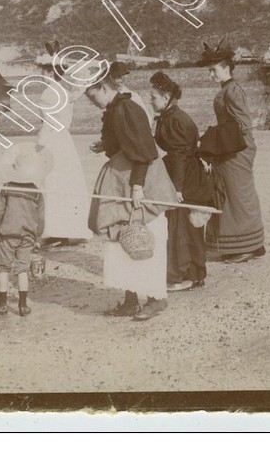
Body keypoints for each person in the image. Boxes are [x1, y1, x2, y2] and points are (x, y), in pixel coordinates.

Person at [86, 76, 175, 321]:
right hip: (122, 176)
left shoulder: (128, 109)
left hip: (139, 178)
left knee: (143, 236)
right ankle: (131, 298)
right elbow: (123, 143)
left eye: (93, 96)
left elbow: (145, 150)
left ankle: (156, 298)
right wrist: (104, 145)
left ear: (103, 88)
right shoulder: (116, 109)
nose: (92, 102)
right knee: (122, 235)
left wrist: (138, 185)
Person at [200, 41, 266, 263]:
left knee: (237, 195)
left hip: (237, 150)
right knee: (237, 194)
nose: (210, 75)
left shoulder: (233, 91)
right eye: (209, 70)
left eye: (214, 70)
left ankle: (245, 246)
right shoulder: (227, 89)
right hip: (231, 148)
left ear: (227, 68)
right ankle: (251, 244)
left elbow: (243, 124)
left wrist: (212, 140)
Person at [149, 71, 207, 291]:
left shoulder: (176, 119)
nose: (150, 100)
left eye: (153, 97)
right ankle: (192, 273)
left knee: (182, 224)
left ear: (166, 97)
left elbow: (181, 155)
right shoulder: (171, 116)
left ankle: (186, 275)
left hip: (184, 176)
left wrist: (178, 188)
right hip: (179, 172)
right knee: (182, 223)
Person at [33, 47, 94, 249]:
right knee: (65, 182)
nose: (40, 74)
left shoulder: (50, 92)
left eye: (43, 70)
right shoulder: (64, 92)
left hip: (52, 138)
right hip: (63, 140)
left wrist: (40, 145)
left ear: (50, 71)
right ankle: (67, 227)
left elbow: (48, 122)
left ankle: (56, 229)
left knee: (52, 182)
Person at [0, 144, 50, 317]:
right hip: (28, 235)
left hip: (7, 233)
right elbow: (40, 218)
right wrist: (38, 236)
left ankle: (2, 303)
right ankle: (22, 305)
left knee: (3, 267)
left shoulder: (7, 188)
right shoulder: (37, 193)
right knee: (22, 268)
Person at [108, 61, 155, 127]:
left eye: (120, 77)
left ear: (125, 77)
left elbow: (147, 120)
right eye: (114, 77)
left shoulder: (133, 97)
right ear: (110, 77)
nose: (117, 81)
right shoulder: (108, 97)